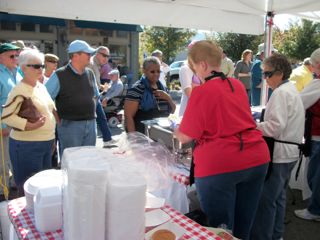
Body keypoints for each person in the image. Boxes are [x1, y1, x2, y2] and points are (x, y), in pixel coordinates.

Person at [174, 40, 269, 240]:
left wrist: (176, 131)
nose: (194, 74)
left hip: (221, 164)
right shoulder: (236, 85)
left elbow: (185, 136)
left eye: (193, 68)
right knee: (243, 226)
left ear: (202, 65)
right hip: (256, 158)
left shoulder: (201, 91)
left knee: (220, 229)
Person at [251, 54, 305, 240]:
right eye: (263, 74)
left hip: (280, 154)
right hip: (289, 153)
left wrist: (252, 126)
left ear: (280, 73)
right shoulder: (289, 89)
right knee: (279, 198)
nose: (264, 79)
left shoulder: (281, 93)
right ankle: (277, 235)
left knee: (266, 201)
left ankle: (265, 236)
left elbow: (275, 127)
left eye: (268, 74)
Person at [1, 49, 57, 196]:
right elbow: (6, 117)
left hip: (44, 143)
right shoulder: (19, 90)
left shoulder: (40, 86)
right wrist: (29, 125)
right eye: (36, 66)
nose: (41, 69)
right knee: (30, 189)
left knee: (43, 187)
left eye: (42, 66)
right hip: (27, 146)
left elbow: (50, 109)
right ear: (24, 68)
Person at [45, 40, 99, 156]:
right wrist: (57, 118)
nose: (90, 56)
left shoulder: (90, 73)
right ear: (75, 55)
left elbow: (96, 96)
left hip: (91, 124)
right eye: (87, 54)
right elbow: (44, 98)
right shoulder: (60, 74)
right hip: (70, 126)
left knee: (89, 161)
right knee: (71, 162)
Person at [294, 48, 320, 221]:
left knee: (316, 175)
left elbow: (298, 102)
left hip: (318, 134)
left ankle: (316, 210)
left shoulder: (317, 84)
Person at [124, 57, 176, 133]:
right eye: (152, 71)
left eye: (158, 71)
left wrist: (168, 98)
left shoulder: (163, 88)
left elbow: (173, 110)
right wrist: (134, 139)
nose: (156, 74)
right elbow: (128, 116)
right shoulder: (137, 89)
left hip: (162, 134)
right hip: (142, 134)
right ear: (144, 71)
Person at [0, 43, 22, 197]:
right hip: (4, 126)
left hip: (18, 125)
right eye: (11, 56)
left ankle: (13, 185)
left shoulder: (17, 72)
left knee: (14, 158)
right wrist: (2, 126)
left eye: (17, 55)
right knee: (3, 161)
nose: (16, 58)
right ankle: (3, 191)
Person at [88, 46, 117, 147]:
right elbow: (88, 83)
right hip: (90, 98)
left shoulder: (95, 65)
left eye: (108, 56)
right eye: (104, 55)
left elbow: (94, 82)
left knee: (101, 118)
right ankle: (105, 140)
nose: (106, 58)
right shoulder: (91, 64)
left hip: (94, 97)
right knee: (96, 120)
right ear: (97, 54)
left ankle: (107, 139)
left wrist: (101, 87)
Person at [178, 41, 201, 117]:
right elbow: (189, 92)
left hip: (198, 110)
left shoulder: (199, 68)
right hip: (187, 110)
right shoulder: (185, 68)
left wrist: (195, 86)